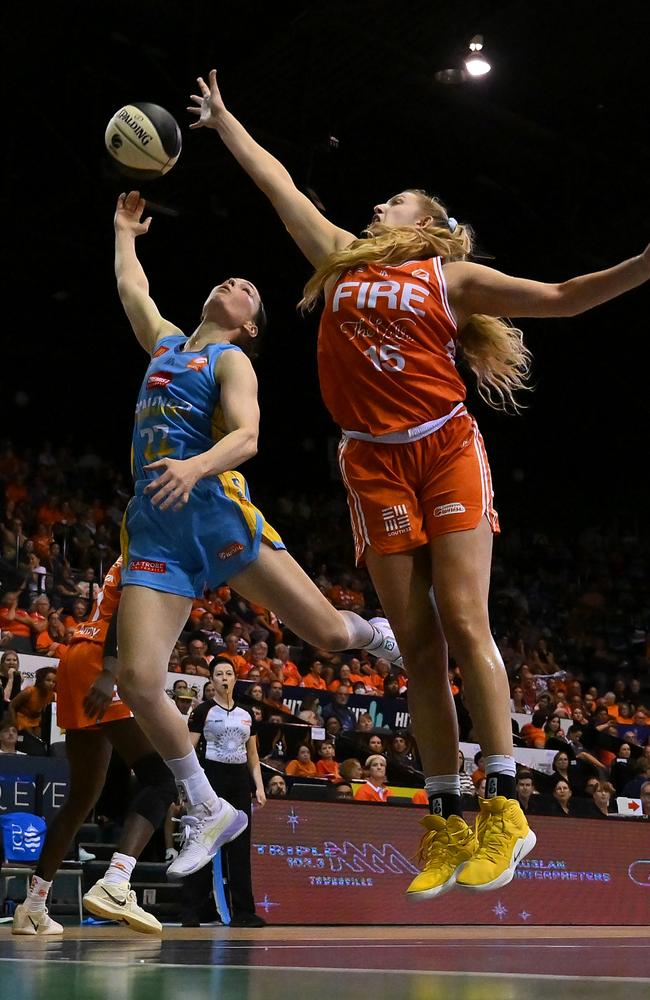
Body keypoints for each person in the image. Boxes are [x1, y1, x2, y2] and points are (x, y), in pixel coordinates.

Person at [190, 67, 650, 896]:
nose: (377, 209)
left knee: (466, 618)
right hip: (370, 460)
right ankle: (444, 820)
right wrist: (224, 121)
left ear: (430, 227)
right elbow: (277, 182)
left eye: (394, 203)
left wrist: (645, 264)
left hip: (442, 449)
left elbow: (567, 296)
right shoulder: (336, 258)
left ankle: (505, 805)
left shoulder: (449, 279)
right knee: (419, 646)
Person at [111, 191, 405, 880]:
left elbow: (247, 436)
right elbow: (133, 290)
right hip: (154, 526)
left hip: (216, 509)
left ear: (249, 327)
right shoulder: (165, 346)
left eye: (248, 291)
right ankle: (207, 805)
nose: (234, 286)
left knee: (330, 637)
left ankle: (374, 633)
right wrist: (125, 232)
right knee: (138, 677)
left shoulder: (230, 364)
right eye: (229, 280)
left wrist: (194, 464)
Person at [11, 557, 177, 937]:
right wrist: (111, 671)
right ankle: (117, 882)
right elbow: (126, 608)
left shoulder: (133, 546)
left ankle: (33, 907)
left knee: (81, 798)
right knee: (160, 780)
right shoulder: (157, 549)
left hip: (75, 653)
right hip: (102, 658)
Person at [180, 660, 266, 927]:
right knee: (203, 842)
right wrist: (185, 784)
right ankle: (192, 909)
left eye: (229, 673)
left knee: (240, 846)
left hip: (239, 780)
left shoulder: (247, 713)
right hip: (211, 779)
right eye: (219, 674)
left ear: (235, 678)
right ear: (211, 680)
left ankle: (243, 911)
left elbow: (253, 755)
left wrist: (259, 786)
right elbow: (188, 748)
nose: (224, 678)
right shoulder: (202, 711)